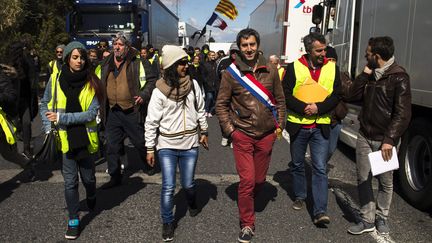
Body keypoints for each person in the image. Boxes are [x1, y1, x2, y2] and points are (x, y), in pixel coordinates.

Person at [216, 28, 286, 243]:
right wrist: (231, 131)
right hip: (242, 134)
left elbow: (280, 101)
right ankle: (247, 223)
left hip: (266, 135)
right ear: (239, 47)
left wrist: (279, 127)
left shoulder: (272, 70)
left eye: (252, 44)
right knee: (247, 180)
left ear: (258, 45)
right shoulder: (231, 73)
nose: (248, 49)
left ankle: (249, 200)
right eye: (244, 45)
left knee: (259, 180)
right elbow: (221, 105)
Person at [346, 36, 411, 235]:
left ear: (377, 56)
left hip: (385, 140)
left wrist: (389, 140)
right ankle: (367, 220)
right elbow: (351, 96)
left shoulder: (399, 76)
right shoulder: (371, 74)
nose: (365, 56)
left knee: (385, 181)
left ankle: (382, 218)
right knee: (363, 177)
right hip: (365, 135)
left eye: (368, 54)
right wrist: (364, 74)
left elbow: (403, 113)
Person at [39, 41, 103, 240]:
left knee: (89, 178)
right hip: (65, 140)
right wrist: (49, 128)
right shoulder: (55, 79)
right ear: (67, 58)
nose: (80, 61)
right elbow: (44, 105)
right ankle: (73, 220)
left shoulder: (92, 80)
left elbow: (91, 114)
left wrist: (61, 119)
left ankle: (91, 195)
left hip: (85, 139)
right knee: (70, 182)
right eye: (75, 57)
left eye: (82, 57)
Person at [145, 45, 209, 242]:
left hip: (190, 144)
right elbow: (151, 121)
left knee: (188, 183)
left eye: (186, 62)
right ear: (172, 65)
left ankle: (191, 201)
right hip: (167, 146)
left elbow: (200, 109)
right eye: (182, 63)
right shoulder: (159, 91)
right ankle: (167, 222)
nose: (186, 66)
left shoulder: (194, 85)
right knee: (168, 186)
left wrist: (204, 130)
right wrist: (149, 147)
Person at [282, 32, 341, 226]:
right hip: (298, 125)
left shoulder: (332, 68)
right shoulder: (294, 67)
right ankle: (300, 195)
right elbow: (286, 93)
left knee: (320, 168)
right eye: (319, 50)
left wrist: (318, 108)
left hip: (321, 126)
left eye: (324, 49)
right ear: (308, 50)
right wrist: (302, 107)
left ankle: (320, 211)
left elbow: (336, 95)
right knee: (298, 164)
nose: (323, 53)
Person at [98, 32, 155, 190]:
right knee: (111, 144)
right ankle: (115, 176)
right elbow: (97, 82)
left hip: (131, 110)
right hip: (112, 111)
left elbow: (152, 80)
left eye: (120, 44)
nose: (116, 47)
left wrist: (143, 95)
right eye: (115, 44)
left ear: (127, 47)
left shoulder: (138, 61)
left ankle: (149, 163)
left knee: (139, 142)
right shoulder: (105, 63)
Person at [0, 64, 33, 172]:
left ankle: (27, 164)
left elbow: (11, 95)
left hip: (4, 120)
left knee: (9, 154)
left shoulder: (2, 75)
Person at [325, 46, 348, 162]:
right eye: (328, 60)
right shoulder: (318, 75)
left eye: (333, 60)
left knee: (331, 149)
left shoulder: (341, 76)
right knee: (321, 150)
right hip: (321, 119)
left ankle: (321, 167)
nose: (331, 63)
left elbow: (350, 93)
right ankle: (319, 171)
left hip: (336, 120)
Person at [216, 43, 240, 147]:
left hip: (237, 95)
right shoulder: (223, 61)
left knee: (236, 116)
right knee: (223, 116)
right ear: (230, 51)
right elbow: (217, 75)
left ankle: (233, 138)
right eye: (233, 51)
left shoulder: (242, 62)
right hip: (223, 93)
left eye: (237, 51)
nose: (234, 53)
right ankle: (225, 135)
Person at [203, 50, 218, 117]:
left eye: (214, 55)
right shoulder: (205, 64)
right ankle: (206, 110)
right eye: (212, 55)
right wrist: (206, 82)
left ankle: (211, 111)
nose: (213, 57)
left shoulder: (216, 64)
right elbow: (203, 75)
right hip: (208, 85)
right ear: (208, 56)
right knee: (209, 97)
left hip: (215, 85)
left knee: (214, 99)